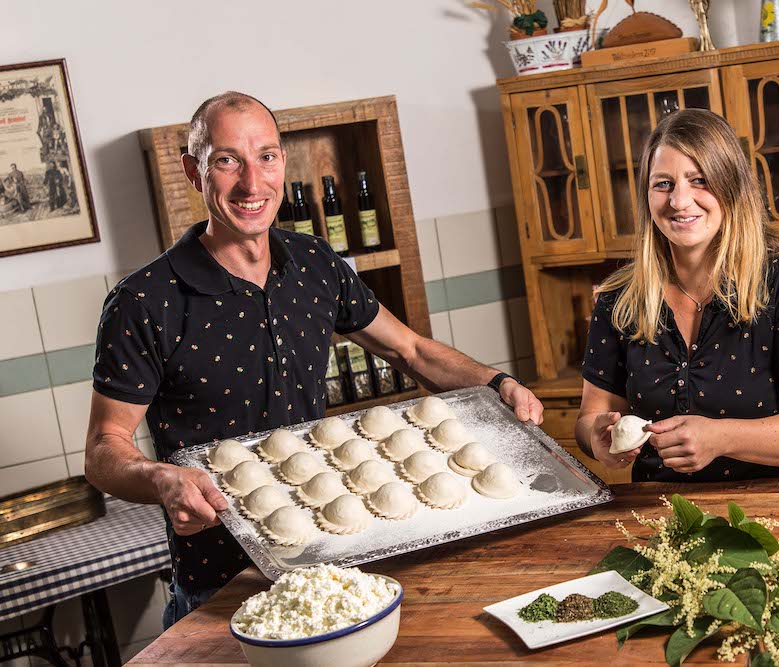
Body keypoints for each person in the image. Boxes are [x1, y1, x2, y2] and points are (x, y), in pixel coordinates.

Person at [84, 91, 544, 630]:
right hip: (223, 584)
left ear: (283, 162)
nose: (252, 184)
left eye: (267, 157)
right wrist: (161, 477)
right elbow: (102, 450)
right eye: (227, 160)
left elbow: (410, 349)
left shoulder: (313, 263)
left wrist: (497, 383)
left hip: (329, 562)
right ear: (193, 170)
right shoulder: (146, 300)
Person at [575, 109, 779, 569]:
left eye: (699, 180)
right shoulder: (619, 300)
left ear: (732, 186)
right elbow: (589, 418)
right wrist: (599, 437)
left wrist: (721, 436)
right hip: (663, 539)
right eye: (663, 184)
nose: (680, 201)